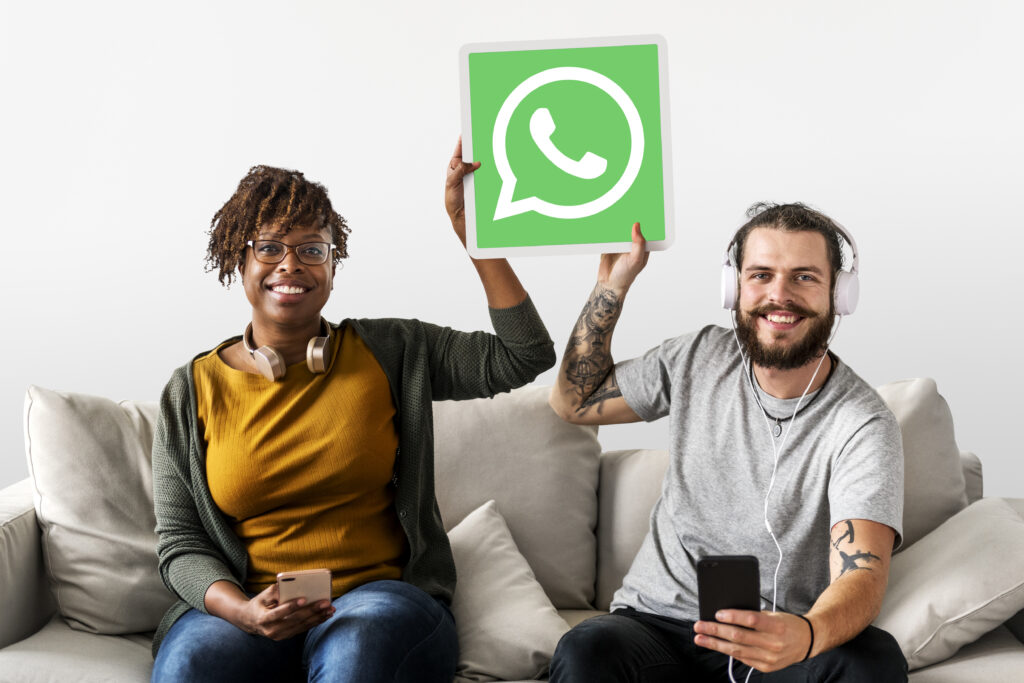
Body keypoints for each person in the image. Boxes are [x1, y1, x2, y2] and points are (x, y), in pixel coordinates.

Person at [150, 140, 555, 683]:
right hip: (249, 607)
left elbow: (524, 354)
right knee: (191, 663)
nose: (290, 265)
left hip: (376, 601)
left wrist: (475, 236)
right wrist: (241, 611)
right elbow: (181, 542)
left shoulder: (393, 351)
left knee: (357, 651)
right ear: (237, 261)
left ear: (333, 266)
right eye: (268, 248)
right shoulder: (190, 390)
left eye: (312, 250)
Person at [547, 204, 907, 682]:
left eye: (804, 277)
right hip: (658, 626)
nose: (779, 295)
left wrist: (807, 634)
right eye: (761, 275)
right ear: (734, 287)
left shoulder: (862, 423)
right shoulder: (698, 357)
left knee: (872, 660)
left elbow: (862, 571)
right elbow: (573, 403)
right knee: (586, 649)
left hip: (779, 640)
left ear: (838, 294)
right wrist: (611, 288)